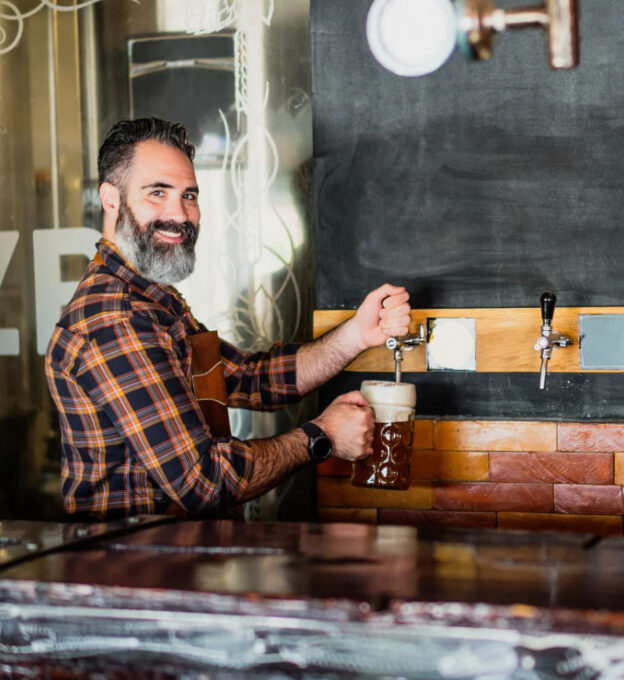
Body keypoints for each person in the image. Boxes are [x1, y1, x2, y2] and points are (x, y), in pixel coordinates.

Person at [44, 118, 411, 520]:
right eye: (157, 193)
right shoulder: (116, 319)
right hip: (136, 570)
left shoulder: (154, 300)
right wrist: (321, 436)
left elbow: (253, 379)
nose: (179, 214)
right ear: (111, 200)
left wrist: (355, 335)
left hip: (180, 562)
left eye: (189, 195)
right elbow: (203, 482)